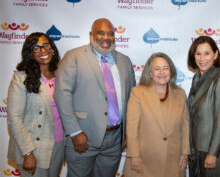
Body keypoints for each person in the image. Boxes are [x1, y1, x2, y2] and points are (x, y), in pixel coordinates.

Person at [54, 18, 136, 177]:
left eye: (110, 34)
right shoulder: (74, 57)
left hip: (115, 140)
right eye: (101, 33)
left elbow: (131, 98)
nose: (106, 38)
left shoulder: (125, 61)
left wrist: (128, 132)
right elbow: (62, 95)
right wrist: (75, 132)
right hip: (83, 138)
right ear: (91, 34)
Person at [123, 52, 190, 177]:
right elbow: (131, 128)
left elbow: (185, 127)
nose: (162, 72)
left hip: (173, 161)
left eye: (165, 68)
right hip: (143, 161)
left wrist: (185, 153)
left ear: (171, 71)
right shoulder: (137, 93)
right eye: (157, 69)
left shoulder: (180, 94)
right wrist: (134, 155)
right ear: (150, 73)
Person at [7, 32, 64, 177]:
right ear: (30, 53)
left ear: (52, 48)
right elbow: (14, 119)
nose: (43, 51)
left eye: (46, 46)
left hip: (58, 145)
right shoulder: (21, 77)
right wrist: (27, 153)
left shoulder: (61, 74)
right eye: (37, 48)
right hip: (34, 147)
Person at [187, 36, 220, 177]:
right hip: (196, 149)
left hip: (213, 151)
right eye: (198, 53)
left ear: (216, 54)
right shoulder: (196, 78)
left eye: (207, 53)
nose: (202, 58)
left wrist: (213, 153)